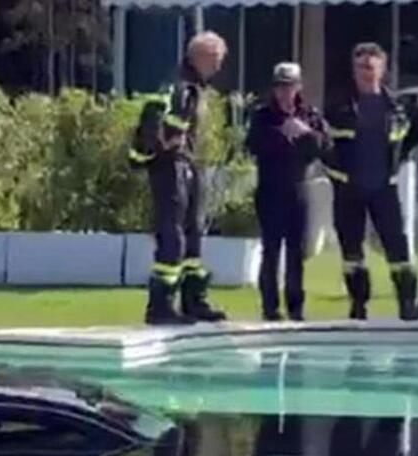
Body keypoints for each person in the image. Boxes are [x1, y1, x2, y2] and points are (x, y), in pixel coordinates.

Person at [129, 31, 229, 325]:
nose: (219, 67)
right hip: (171, 166)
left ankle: (193, 299)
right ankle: (160, 304)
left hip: (188, 163)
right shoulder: (179, 86)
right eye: (216, 60)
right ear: (202, 57)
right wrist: (165, 145)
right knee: (172, 234)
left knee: (193, 231)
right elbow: (159, 124)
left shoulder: (192, 86)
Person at [324, 43, 418, 321]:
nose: (365, 72)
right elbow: (323, 145)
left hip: (383, 188)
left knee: (398, 249)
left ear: (382, 69)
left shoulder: (396, 108)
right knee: (351, 252)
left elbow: (407, 142)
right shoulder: (338, 107)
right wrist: (337, 176)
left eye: (370, 66)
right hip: (349, 189)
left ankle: (406, 303)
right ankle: (358, 304)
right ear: (353, 71)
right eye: (360, 67)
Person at [246, 63, 329, 321]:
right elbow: (253, 144)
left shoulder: (310, 115)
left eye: (289, 85)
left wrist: (305, 134)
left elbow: (326, 146)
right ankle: (270, 308)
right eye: (280, 86)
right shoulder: (262, 115)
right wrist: (281, 134)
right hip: (271, 189)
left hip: (299, 189)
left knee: (296, 252)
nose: (285, 91)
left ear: (298, 87)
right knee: (271, 250)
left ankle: (296, 308)